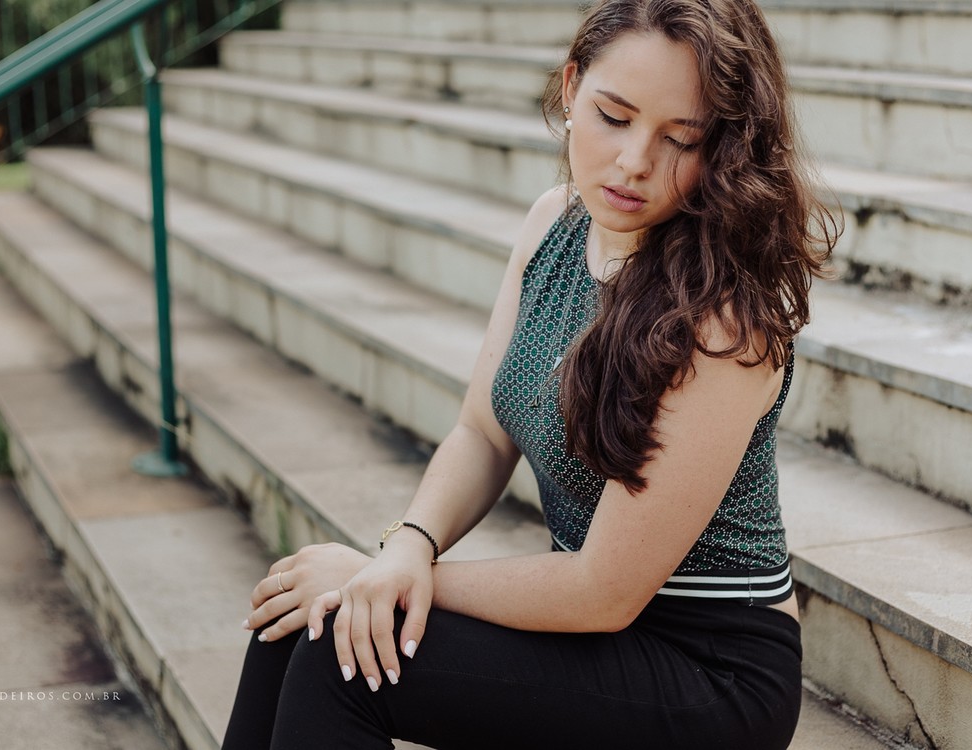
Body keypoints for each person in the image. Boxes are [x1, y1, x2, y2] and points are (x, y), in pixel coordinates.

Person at [221, 0, 836, 747]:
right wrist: (407, 546)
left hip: (706, 670)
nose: (636, 161)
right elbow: (481, 432)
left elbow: (602, 592)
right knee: (298, 621)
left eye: (681, 138)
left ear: (724, 152)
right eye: (614, 115)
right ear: (572, 88)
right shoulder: (557, 221)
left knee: (339, 650)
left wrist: (376, 580)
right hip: (599, 633)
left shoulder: (722, 321)